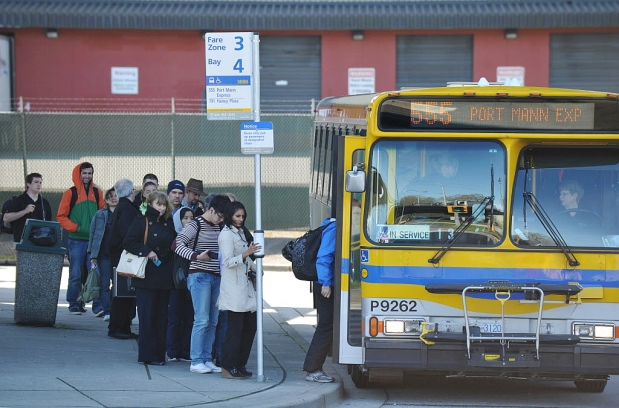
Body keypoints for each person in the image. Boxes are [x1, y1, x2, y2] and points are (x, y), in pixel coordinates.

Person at [174, 194, 230, 374]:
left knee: (213, 320)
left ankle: (206, 358)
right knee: (202, 318)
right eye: (219, 215)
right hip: (199, 275)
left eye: (223, 217)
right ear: (210, 209)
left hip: (216, 275)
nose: (221, 219)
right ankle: (196, 359)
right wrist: (196, 256)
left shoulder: (220, 226)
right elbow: (176, 244)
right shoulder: (195, 224)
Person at [124, 192, 176, 365]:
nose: (161, 208)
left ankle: (159, 355)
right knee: (147, 317)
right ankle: (147, 355)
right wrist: (147, 251)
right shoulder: (142, 220)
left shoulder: (168, 222)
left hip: (164, 276)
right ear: (150, 204)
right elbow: (129, 242)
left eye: (163, 205)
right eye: (158, 204)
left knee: (161, 317)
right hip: (146, 276)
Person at [218, 201, 261, 379]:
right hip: (234, 288)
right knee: (234, 330)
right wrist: (246, 254)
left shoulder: (242, 232)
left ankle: (240, 364)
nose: (240, 219)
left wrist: (257, 270)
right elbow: (227, 262)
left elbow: (247, 259)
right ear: (229, 216)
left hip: (246, 285)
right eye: (237, 216)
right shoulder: (226, 235)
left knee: (249, 328)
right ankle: (228, 366)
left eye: (242, 216)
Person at [57, 162, 104, 315]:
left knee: (95, 273)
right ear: (79, 173)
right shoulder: (70, 193)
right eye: (84, 173)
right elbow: (61, 216)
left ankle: (98, 306)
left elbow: (102, 214)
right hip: (76, 240)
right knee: (76, 273)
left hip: (92, 241)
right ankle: (74, 304)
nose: (87, 176)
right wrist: (76, 228)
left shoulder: (97, 193)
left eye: (90, 173)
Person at [303, 217, 336, 383]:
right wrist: (326, 283)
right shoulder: (335, 227)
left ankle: (313, 368)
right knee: (326, 326)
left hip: (324, 282)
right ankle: (313, 369)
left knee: (326, 325)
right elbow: (324, 256)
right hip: (325, 284)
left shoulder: (329, 224)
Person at [108, 178, 140, 340]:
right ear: (130, 192)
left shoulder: (122, 208)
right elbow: (129, 233)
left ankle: (122, 326)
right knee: (122, 294)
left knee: (123, 293)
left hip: (119, 255)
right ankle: (118, 326)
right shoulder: (127, 209)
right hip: (124, 256)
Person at [166, 206, 195, 363]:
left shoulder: (197, 238)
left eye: (191, 218)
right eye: (185, 218)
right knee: (174, 318)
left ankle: (185, 350)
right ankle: (172, 349)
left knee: (189, 317)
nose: (189, 221)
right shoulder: (173, 236)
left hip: (191, 282)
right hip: (175, 284)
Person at [87, 188, 118, 321]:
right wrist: (93, 255)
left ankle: (115, 309)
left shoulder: (123, 214)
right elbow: (93, 234)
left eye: (116, 195)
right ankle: (107, 311)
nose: (113, 198)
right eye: (110, 196)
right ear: (106, 200)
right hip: (103, 255)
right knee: (104, 284)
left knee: (117, 285)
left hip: (118, 255)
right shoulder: (100, 214)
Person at [3, 172, 52, 246]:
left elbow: (49, 221)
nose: (39, 184)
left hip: (41, 240)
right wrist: (24, 211)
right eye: (36, 182)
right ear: (28, 184)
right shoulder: (18, 201)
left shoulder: (44, 202)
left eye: (40, 182)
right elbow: (6, 218)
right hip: (22, 239)